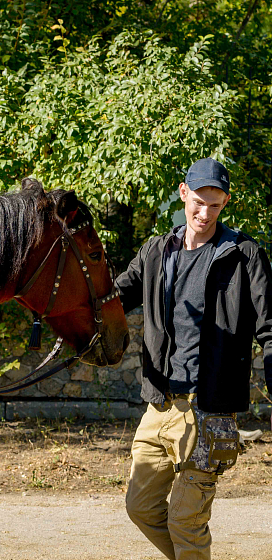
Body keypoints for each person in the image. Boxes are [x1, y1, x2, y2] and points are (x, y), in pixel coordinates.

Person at [115, 157, 272, 560]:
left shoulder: (243, 254)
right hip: (160, 404)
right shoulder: (156, 250)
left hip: (211, 409)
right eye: (199, 202)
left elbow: (270, 327)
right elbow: (112, 303)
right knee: (141, 508)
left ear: (226, 203)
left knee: (185, 520)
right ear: (184, 193)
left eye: (215, 205)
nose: (205, 213)